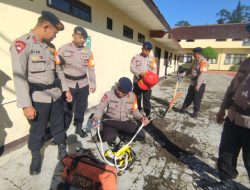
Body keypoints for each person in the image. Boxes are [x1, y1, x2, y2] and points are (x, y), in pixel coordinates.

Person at [10, 11, 72, 175]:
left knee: (59, 126)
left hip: (56, 95)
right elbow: (19, 77)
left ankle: (61, 148)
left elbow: (59, 71)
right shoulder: (22, 44)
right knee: (37, 130)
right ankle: (36, 157)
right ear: (46, 26)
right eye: (55, 32)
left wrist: (66, 89)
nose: (55, 36)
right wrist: (26, 105)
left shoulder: (51, 49)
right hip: (38, 99)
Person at [205, 24, 250, 190]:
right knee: (226, 153)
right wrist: (222, 108)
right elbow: (232, 87)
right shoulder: (246, 62)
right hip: (233, 117)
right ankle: (226, 183)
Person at [59, 26, 96, 138]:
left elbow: (91, 68)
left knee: (81, 108)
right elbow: (58, 68)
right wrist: (63, 87)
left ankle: (78, 127)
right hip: (68, 84)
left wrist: (93, 83)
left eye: (84, 38)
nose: (82, 40)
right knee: (66, 111)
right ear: (73, 36)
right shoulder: (63, 49)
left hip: (83, 84)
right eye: (80, 37)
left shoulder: (88, 52)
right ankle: (62, 132)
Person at [92, 77, 150, 146]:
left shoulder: (132, 96)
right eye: (119, 89)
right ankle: (111, 131)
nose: (120, 92)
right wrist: (96, 118)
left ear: (128, 92)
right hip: (111, 121)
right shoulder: (108, 95)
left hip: (125, 121)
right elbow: (100, 108)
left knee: (141, 136)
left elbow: (135, 110)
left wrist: (141, 118)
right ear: (117, 86)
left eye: (123, 92)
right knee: (108, 137)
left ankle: (121, 133)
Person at [130, 41, 157, 118]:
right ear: (142, 48)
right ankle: (137, 113)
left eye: (148, 51)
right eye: (145, 50)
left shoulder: (152, 59)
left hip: (147, 83)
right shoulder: (136, 57)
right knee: (137, 98)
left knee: (146, 99)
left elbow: (154, 69)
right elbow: (132, 68)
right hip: (137, 82)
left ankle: (148, 113)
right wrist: (140, 73)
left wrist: (149, 77)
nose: (146, 52)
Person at [179, 47, 208, 118]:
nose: (193, 54)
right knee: (189, 96)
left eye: (194, 53)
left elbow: (202, 74)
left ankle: (195, 112)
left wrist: (198, 85)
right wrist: (182, 74)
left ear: (198, 54)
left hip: (200, 84)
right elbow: (189, 70)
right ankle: (184, 108)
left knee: (196, 99)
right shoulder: (195, 61)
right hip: (192, 83)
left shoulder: (203, 62)